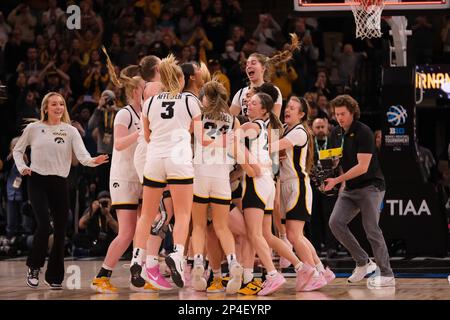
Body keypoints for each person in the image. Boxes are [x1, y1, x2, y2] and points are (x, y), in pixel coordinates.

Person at [13, 92, 108, 289]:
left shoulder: (70, 131)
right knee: (44, 226)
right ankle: (34, 266)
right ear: (45, 108)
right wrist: (22, 168)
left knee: (60, 230)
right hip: (37, 181)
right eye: (54, 104)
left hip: (60, 182)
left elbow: (82, 157)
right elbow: (17, 150)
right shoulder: (33, 128)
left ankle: (54, 276)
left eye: (61, 104)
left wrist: (93, 161)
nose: (58, 107)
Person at [130, 54, 202, 289]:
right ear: (179, 79)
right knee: (182, 214)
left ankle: (137, 259)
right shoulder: (190, 100)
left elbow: (147, 136)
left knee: (147, 214)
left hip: (154, 159)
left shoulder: (149, 102)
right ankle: (177, 255)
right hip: (178, 158)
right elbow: (199, 136)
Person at [324, 94, 395, 288]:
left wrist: (338, 180)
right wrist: (331, 169)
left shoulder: (364, 132)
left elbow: (362, 167)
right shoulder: (335, 133)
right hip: (350, 187)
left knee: (371, 228)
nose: (339, 118)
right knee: (335, 222)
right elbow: (335, 160)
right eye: (336, 114)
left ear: (353, 113)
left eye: (343, 114)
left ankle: (387, 273)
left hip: (371, 186)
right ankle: (363, 262)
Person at [271, 96, 334, 291]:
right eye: (287, 106)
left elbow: (274, 146)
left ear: (302, 114)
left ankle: (313, 275)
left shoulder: (299, 131)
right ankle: (320, 269)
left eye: (292, 107)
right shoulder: (287, 128)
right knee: (297, 235)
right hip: (286, 184)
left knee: (293, 235)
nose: (287, 110)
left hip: (297, 185)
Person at [191, 81, 245, 294]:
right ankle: (233, 263)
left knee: (199, 226)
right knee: (222, 227)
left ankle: (197, 263)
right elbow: (237, 150)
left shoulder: (199, 116)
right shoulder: (233, 121)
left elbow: (196, 139)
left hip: (201, 173)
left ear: (205, 97)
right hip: (223, 175)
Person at [310, 117, 339, 259]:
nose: (320, 130)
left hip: (330, 182)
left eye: (323, 127)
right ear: (313, 128)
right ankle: (315, 247)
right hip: (313, 183)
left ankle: (331, 247)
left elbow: (339, 162)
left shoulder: (333, 141)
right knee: (314, 216)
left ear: (327, 127)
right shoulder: (309, 143)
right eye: (317, 127)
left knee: (330, 216)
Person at [88, 89, 119, 192]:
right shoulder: (99, 113)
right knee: (103, 181)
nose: (107, 102)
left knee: (115, 181)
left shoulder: (119, 112)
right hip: (102, 152)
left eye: (109, 100)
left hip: (116, 153)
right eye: (105, 99)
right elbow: (90, 126)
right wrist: (98, 107)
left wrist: (116, 110)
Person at [74, 191, 118, 257]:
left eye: (106, 202)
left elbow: (117, 230)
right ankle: (92, 251)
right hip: (94, 238)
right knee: (76, 237)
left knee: (106, 245)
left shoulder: (115, 211)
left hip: (109, 239)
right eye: (102, 202)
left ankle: (90, 252)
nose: (104, 204)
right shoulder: (93, 210)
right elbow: (81, 225)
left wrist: (107, 214)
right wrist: (92, 212)